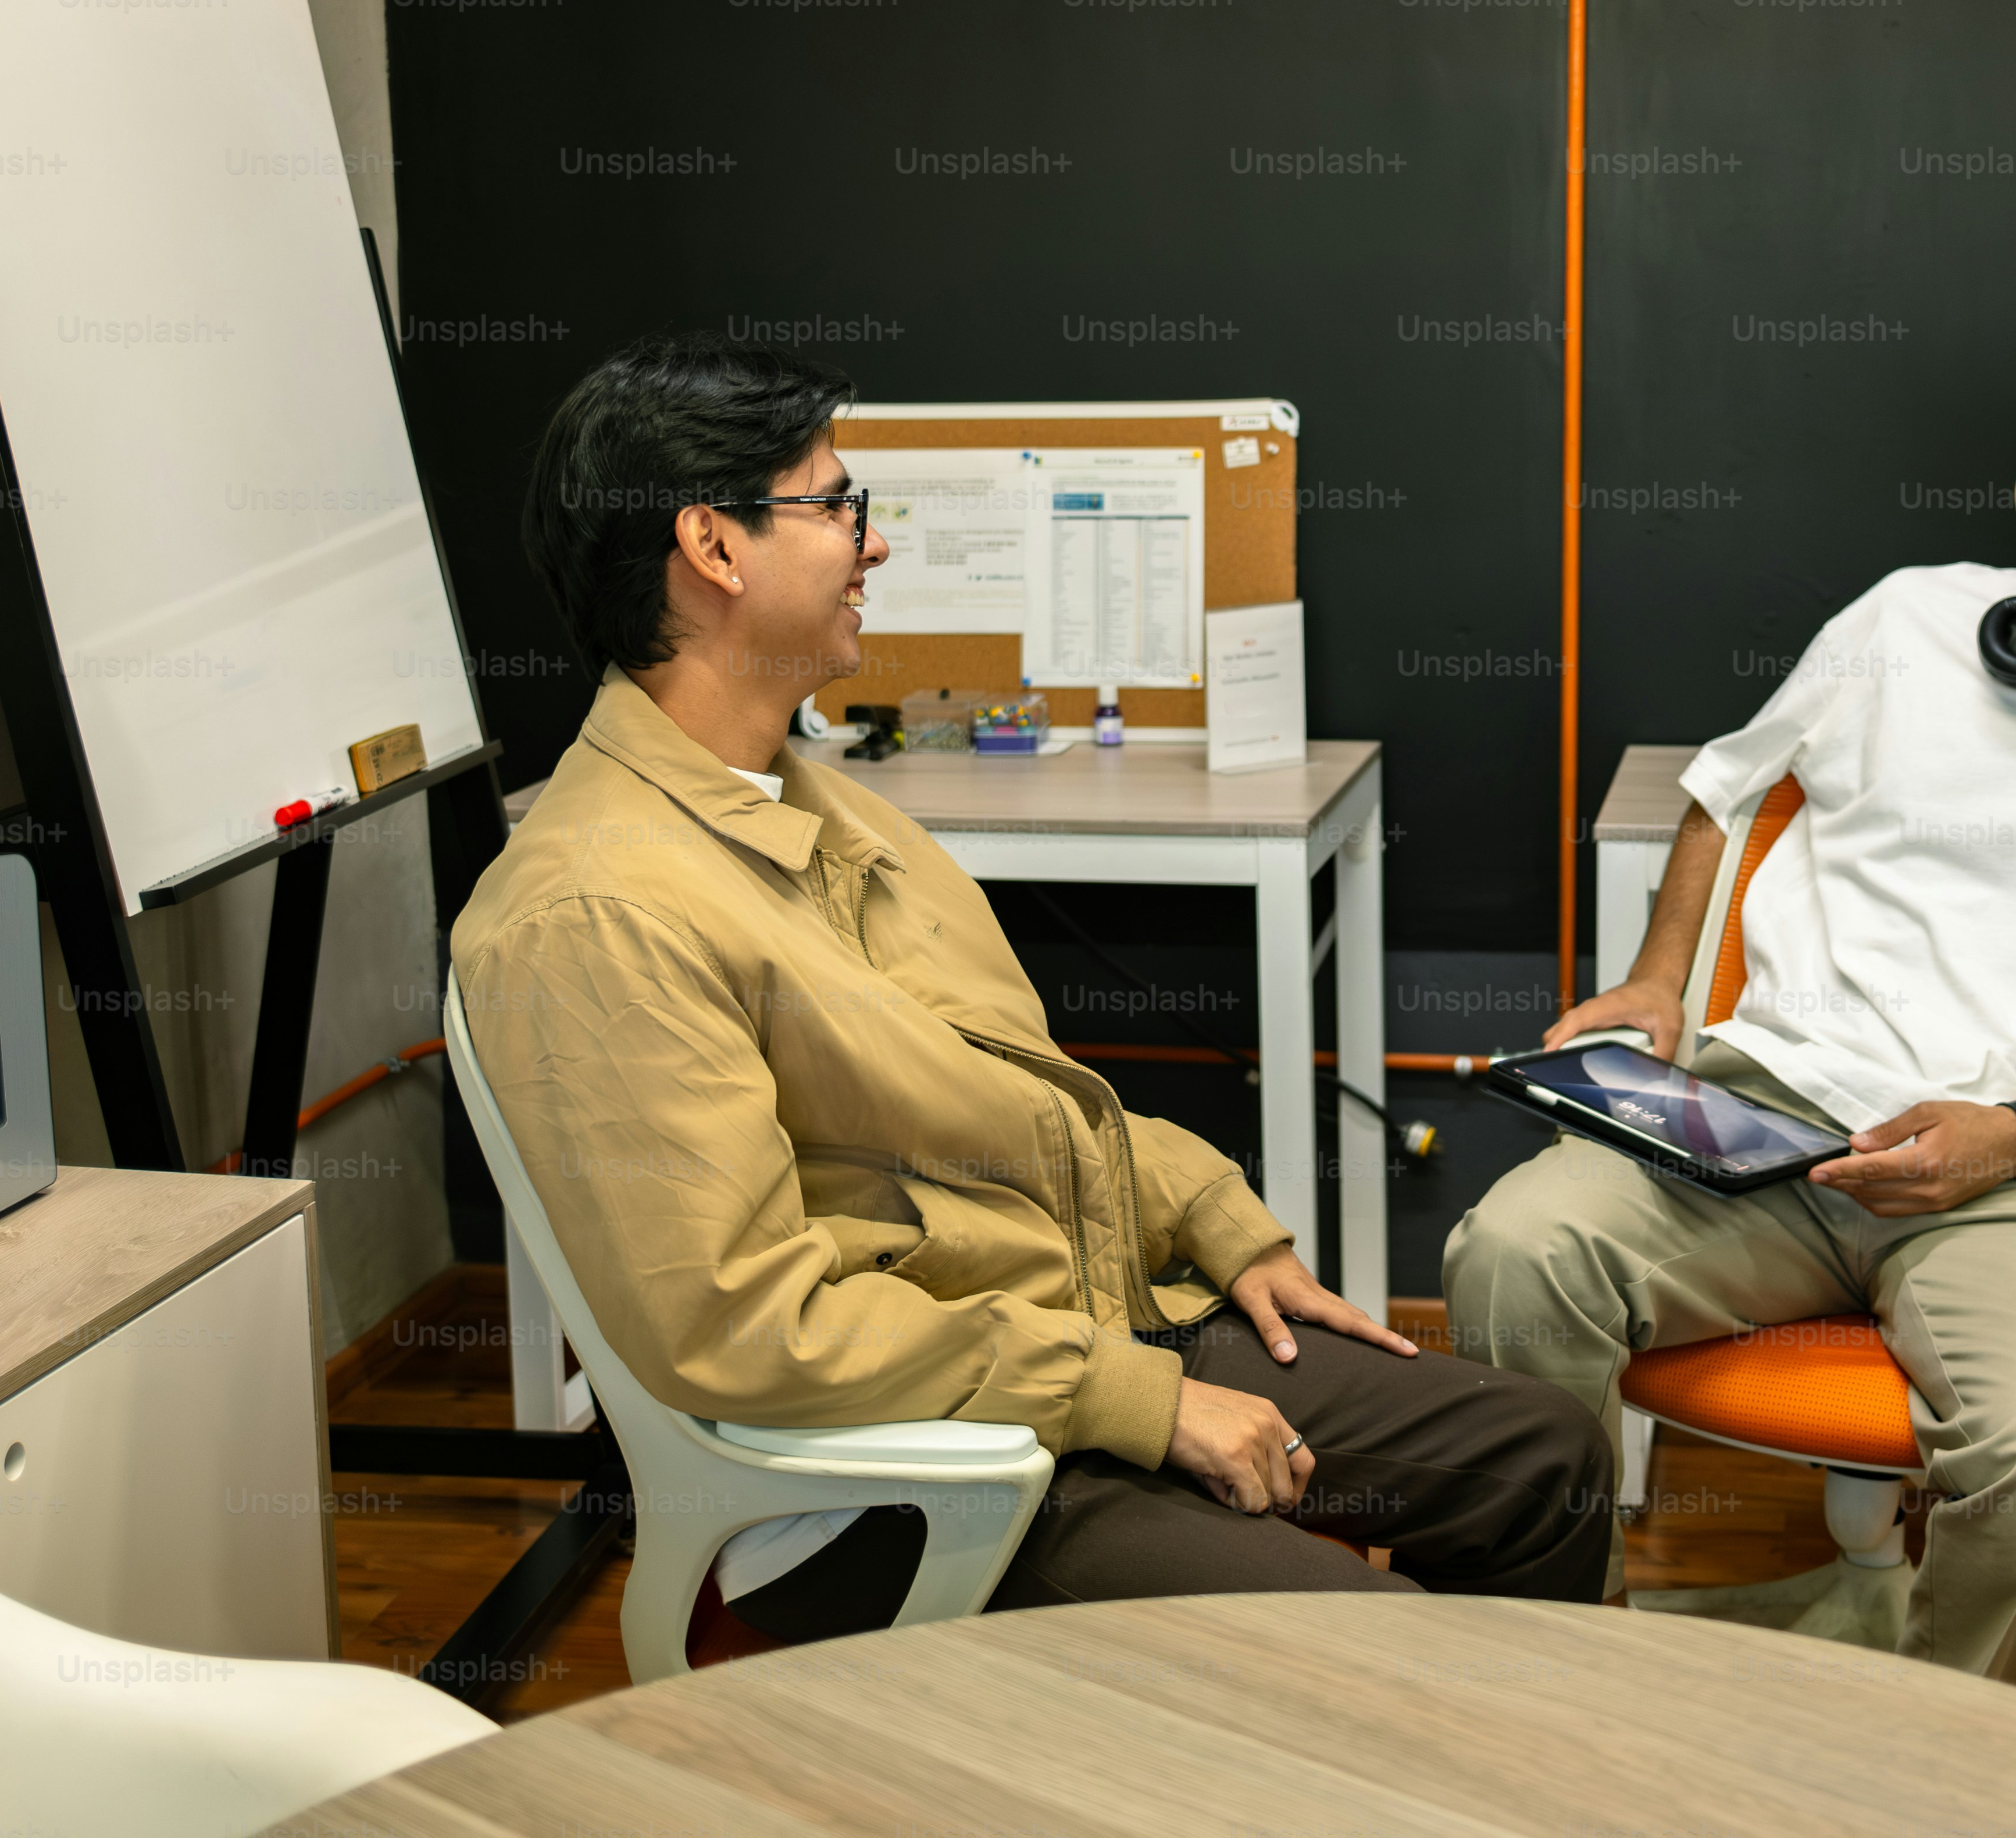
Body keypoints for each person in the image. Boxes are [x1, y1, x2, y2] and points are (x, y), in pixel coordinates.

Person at [453, 333, 1611, 1636]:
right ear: (714, 549)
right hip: (905, 1478)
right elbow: (748, 1330)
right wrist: (1139, 1401)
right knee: (1351, 1635)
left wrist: (1216, 1215)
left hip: (1069, 1340)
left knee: (1548, 1465)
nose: (872, 544)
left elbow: (1018, 1103)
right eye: (838, 506)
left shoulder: (826, 804)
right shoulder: (593, 918)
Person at [1446, 279, 2016, 1682]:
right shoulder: (1909, 619)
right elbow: (1727, 785)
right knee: (1513, 1259)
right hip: (1777, 1130)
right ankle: (1570, 1681)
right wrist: (1652, 982)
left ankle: (1928, 1755)